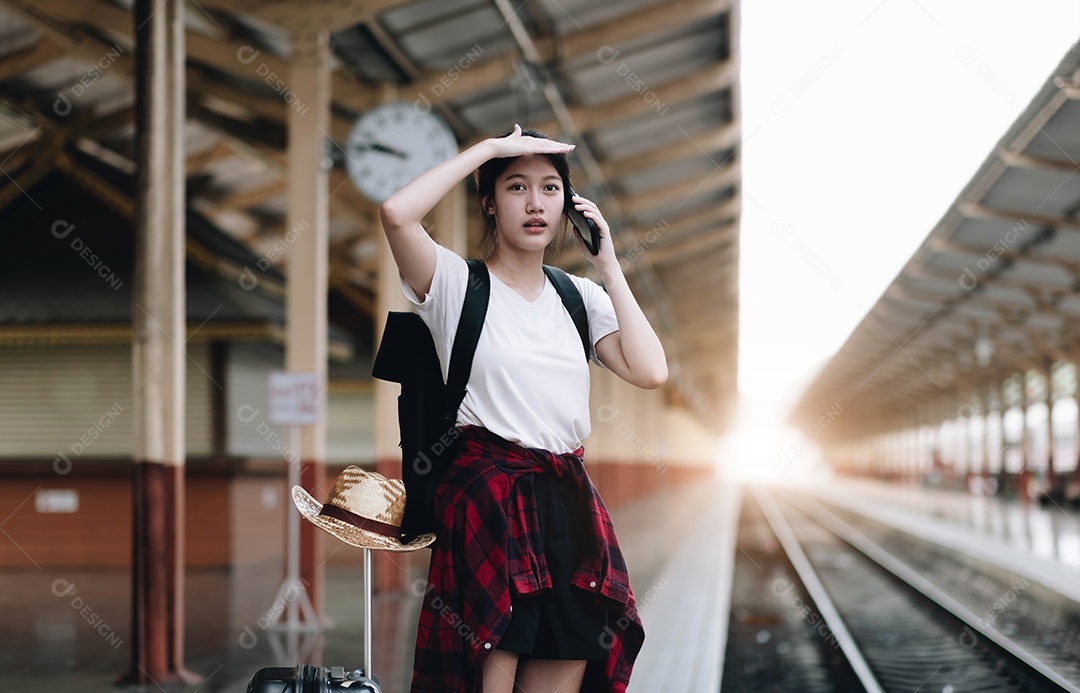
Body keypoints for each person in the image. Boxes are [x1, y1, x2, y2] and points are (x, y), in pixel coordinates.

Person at [380, 124, 668, 693]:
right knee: (490, 669)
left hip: (568, 504)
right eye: (516, 187)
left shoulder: (577, 297)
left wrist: (610, 266)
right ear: (489, 201)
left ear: (568, 204)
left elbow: (652, 371)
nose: (535, 204)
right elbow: (395, 213)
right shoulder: (456, 284)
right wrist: (489, 150)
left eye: (549, 188)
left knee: (571, 656)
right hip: (489, 503)